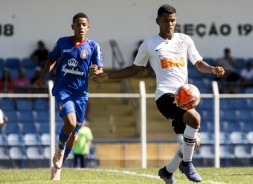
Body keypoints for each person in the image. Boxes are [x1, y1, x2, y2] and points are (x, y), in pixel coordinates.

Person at [91, 4, 225, 183]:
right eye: (166, 21)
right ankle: (187, 163)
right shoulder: (150, 44)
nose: (170, 24)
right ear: (157, 21)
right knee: (195, 119)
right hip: (165, 96)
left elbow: (198, 63)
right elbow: (134, 69)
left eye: (173, 20)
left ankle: (168, 171)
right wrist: (107, 76)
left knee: (194, 142)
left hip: (183, 97)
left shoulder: (184, 40)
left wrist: (213, 69)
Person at [34, 12, 103, 180]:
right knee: (70, 123)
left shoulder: (93, 46)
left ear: (88, 27)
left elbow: (99, 69)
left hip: (81, 95)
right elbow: (51, 60)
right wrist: (42, 77)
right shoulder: (62, 42)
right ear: (72, 26)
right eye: (77, 24)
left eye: (83, 24)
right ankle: (59, 149)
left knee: (74, 135)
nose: (80, 27)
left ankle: (58, 167)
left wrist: (96, 72)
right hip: (63, 90)